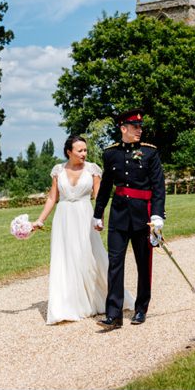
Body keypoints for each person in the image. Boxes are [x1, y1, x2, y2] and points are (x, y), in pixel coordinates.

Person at [30, 135, 118, 325]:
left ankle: (100, 298)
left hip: (86, 216)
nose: (84, 154)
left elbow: (99, 196)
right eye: (80, 150)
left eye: (85, 150)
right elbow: (52, 198)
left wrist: (100, 219)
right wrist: (40, 220)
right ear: (69, 152)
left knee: (88, 257)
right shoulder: (58, 170)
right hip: (64, 219)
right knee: (66, 259)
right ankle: (69, 305)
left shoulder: (92, 169)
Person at [94, 109, 165, 329]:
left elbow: (158, 186)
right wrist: (98, 213)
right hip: (119, 215)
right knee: (115, 263)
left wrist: (158, 215)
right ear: (123, 128)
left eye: (140, 127)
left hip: (144, 215)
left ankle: (141, 308)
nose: (139, 130)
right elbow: (106, 186)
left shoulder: (150, 153)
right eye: (135, 127)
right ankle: (113, 315)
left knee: (144, 263)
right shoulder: (110, 154)